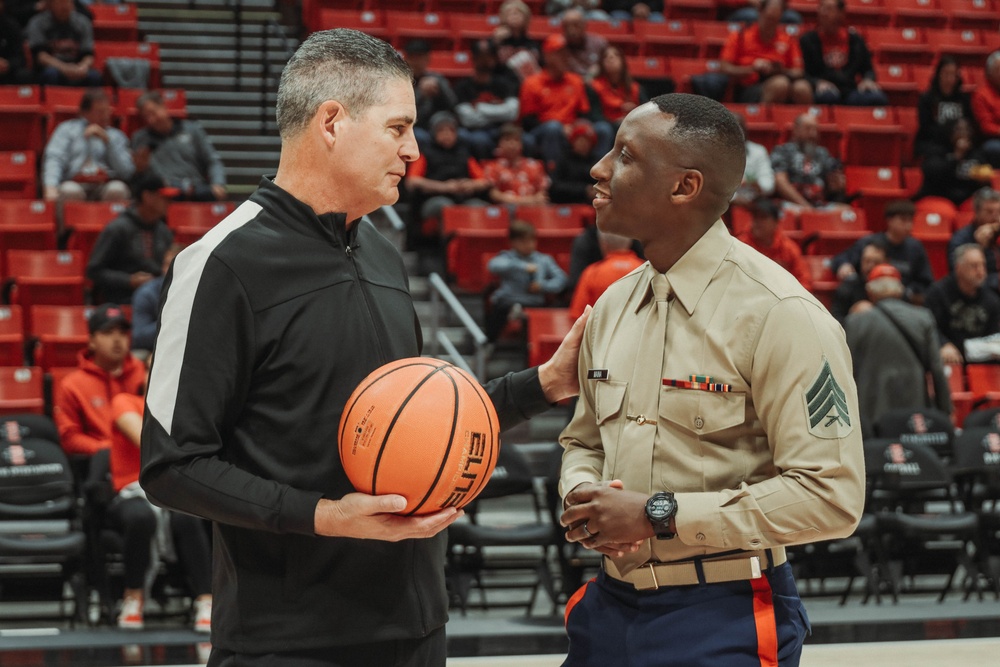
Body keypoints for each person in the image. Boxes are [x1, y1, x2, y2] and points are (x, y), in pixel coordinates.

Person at [139, 29, 586, 666]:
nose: (413, 151)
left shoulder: (381, 249)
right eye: (398, 128)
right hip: (290, 643)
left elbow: (422, 418)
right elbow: (171, 467)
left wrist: (543, 383)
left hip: (418, 627)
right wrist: (325, 515)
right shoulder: (218, 264)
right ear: (332, 122)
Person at [557, 93, 864, 666]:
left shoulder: (782, 313)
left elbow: (833, 496)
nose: (599, 168)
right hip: (607, 608)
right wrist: (581, 493)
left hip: (726, 612)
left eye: (625, 156)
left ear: (684, 187)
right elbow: (583, 441)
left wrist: (658, 515)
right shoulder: (612, 304)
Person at [109, 355, 213, 632]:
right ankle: (133, 597)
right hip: (131, 491)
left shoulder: (183, 410)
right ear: (144, 372)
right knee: (141, 517)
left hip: (173, 491)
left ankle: (206, 600)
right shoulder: (124, 402)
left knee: (187, 517)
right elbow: (148, 442)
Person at [845, 263, 951, 437]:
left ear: (870, 292)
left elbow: (847, 372)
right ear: (900, 290)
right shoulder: (923, 317)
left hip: (871, 414)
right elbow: (937, 369)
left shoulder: (855, 322)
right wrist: (944, 412)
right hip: (915, 412)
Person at [53, 304, 147, 458]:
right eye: (108, 332)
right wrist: (109, 449)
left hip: (144, 461)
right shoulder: (72, 385)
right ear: (91, 341)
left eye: (123, 333)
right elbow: (70, 438)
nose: (117, 339)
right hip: (101, 464)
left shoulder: (143, 373)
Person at [519, 33, 613, 167]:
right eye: (559, 53)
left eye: (566, 53)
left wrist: (577, 127)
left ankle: (599, 175)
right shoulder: (532, 83)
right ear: (547, 56)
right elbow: (528, 121)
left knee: (603, 129)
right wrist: (562, 127)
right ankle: (555, 174)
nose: (565, 57)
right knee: (553, 128)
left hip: (572, 128)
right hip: (544, 130)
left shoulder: (575, 81)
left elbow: (584, 113)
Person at [86, 172, 175, 304]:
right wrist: (129, 280)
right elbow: (94, 271)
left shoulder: (164, 232)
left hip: (157, 300)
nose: (169, 203)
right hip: (121, 301)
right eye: (163, 197)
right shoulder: (117, 229)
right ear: (147, 197)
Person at [403, 110, 491, 245]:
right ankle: (447, 249)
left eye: (450, 131)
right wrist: (445, 187)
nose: (447, 135)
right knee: (445, 207)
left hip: (463, 198)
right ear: (433, 133)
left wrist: (469, 185)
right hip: (434, 199)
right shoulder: (425, 154)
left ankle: (476, 248)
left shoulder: (464, 153)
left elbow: (484, 181)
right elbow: (412, 181)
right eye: (442, 131)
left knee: (479, 207)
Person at [831, 199, 934, 303]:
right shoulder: (870, 242)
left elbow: (925, 282)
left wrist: (909, 291)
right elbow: (841, 258)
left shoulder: (915, 247)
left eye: (910, 221)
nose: (908, 226)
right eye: (903, 220)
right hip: (868, 297)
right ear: (889, 221)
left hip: (902, 300)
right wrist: (844, 264)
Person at [132, 91, 227, 202]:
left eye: (153, 113)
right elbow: (139, 176)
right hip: (163, 192)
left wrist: (218, 183)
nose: (151, 120)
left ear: (163, 106)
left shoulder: (192, 129)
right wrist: (140, 168)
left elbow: (212, 160)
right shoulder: (140, 139)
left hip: (196, 188)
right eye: (146, 117)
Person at [42, 88, 134, 203]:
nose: (106, 115)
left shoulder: (116, 136)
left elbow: (127, 172)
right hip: (75, 183)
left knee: (117, 189)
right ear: (85, 113)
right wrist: (50, 187)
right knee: (69, 190)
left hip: (105, 185)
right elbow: (55, 159)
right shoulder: (66, 130)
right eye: (100, 112)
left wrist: (108, 142)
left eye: (107, 110)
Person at [485, 219, 568, 341]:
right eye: (523, 241)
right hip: (508, 302)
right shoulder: (506, 257)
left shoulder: (544, 260)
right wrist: (522, 267)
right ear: (512, 242)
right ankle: (490, 344)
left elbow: (561, 279)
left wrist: (542, 286)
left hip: (535, 303)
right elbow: (493, 266)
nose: (528, 245)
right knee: (498, 309)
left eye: (531, 240)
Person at [719, 0, 812, 104]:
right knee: (780, 84)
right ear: (760, 12)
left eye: (774, 20)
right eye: (768, 18)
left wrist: (781, 70)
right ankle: (759, 118)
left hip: (780, 79)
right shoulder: (740, 36)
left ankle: (802, 119)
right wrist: (752, 68)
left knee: (802, 88)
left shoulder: (788, 39)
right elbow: (723, 68)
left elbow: (799, 71)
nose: (770, 24)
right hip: (748, 86)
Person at [799, 0, 886, 106]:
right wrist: (817, 83)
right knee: (827, 97)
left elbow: (868, 69)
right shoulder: (808, 40)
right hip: (824, 89)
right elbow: (803, 73)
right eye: (821, 8)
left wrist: (867, 80)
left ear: (841, 14)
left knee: (877, 98)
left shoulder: (855, 40)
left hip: (850, 90)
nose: (823, 12)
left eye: (828, 9)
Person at [926, 244, 1000, 365]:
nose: (981, 271)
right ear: (959, 268)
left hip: (980, 362)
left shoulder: (992, 300)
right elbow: (929, 327)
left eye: (983, 265)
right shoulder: (938, 293)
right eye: (974, 266)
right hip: (946, 359)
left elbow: (993, 337)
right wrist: (943, 344)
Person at [453, 38, 522, 161]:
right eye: (481, 56)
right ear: (474, 59)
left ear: (494, 59)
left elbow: (512, 113)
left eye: (489, 56)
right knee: (480, 140)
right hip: (476, 131)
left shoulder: (504, 84)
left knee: (525, 140)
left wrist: (481, 109)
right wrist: (500, 112)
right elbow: (467, 120)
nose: (485, 61)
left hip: (503, 130)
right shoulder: (462, 87)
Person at [771, 112, 844, 210]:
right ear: (796, 130)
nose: (813, 134)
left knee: (846, 213)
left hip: (818, 205)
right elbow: (780, 182)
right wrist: (806, 207)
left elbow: (832, 183)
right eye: (808, 129)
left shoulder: (823, 153)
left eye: (815, 130)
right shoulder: (782, 151)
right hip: (791, 204)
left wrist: (836, 185)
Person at [915, 117, 993, 207]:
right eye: (959, 130)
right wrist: (957, 156)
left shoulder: (976, 153)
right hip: (940, 198)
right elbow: (933, 175)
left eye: (967, 129)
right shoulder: (936, 151)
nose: (964, 133)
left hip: (969, 200)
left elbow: (984, 183)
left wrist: (983, 180)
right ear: (949, 132)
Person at [736, 196, 812, 289]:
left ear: (776, 222)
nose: (757, 222)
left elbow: (804, 280)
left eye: (763, 217)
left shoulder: (788, 248)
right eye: (755, 217)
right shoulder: (740, 245)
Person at [24, 0, 101, 86]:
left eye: (67, 2)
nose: (64, 7)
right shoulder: (37, 23)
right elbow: (41, 56)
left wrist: (83, 67)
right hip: (51, 67)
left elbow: (88, 55)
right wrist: (64, 68)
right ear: (50, 5)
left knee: (94, 76)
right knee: (51, 74)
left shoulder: (83, 23)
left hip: (76, 67)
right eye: (60, 3)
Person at [568, 230, 643, 318]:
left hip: (602, 330)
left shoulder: (592, 273)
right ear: (631, 241)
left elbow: (578, 314)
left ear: (603, 243)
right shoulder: (647, 270)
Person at [915, 55, 975, 161]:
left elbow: (970, 124)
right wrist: (950, 136)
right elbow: (926, 128)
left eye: (953, 75)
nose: (949, 79)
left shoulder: (964, 99)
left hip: (960, 142)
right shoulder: (927, 99)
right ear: (938, 75)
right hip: (933, 143)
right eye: (946, 74)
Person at [403, 39, 459, 150]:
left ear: (427, 59)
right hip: (414, 126)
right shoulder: (402, 81)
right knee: (421, 137)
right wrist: (420, 93)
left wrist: (440, 90)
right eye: (413, 57)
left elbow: (453, 105)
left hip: (439, 124)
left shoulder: (437, 79)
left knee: (460, 135)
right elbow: (403, 110)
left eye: (420, 57)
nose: (416, 62)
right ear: (407, 59)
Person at [483, 122, 551, 207]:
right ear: (499, 144)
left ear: (521, 144)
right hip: (506, 211)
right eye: (507, 140)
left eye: (516, 140)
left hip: (533, 210)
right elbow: (494, 195)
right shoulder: (492, 166)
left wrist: (535, 201)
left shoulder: (535, 165)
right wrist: (527, 201)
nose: (512, 144)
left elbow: (542, 193)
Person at [131, 243, 183, 353]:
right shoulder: (147, 293)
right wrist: (174, 321)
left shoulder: (200, 290)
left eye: (177, 264)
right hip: (154, 350)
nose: (170, 269)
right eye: (167, 264)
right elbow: (139, 336)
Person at [947, 186, 1000, 290]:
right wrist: (980, 247)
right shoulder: (961, 239)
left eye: (998, 212)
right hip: (981, 291)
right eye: (989, 212)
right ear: (977, 212)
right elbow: (961, 276)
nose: (995, 217)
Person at [587, 44, 647, 127]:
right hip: (608, 126)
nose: (611, 58)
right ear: (601, 64)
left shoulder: (636, 88)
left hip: (632, 126)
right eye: (605, 56)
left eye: (616, 55)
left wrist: (635, 110)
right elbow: (594, 115)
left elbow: (647, 114)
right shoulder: (595, 87)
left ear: (623, 61)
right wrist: (615, 123)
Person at [830, 238, 886, 323]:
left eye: (876, 262)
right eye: (867, 261)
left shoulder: (893, 288)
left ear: (886, 262)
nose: (870, 266)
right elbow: (835, 320)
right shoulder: (847, 288)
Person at [549, 119, 600, 205]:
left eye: (587, 140)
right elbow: (555, 187)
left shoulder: (597, 161)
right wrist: (583, 190)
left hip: (591, 206)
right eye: (580, 139)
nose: (583, 143)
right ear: (573, 141)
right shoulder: (563, 159)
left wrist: (596, 191)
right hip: (566, 205)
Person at [732, 114, 776, 208]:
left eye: (741, 127)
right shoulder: (716, 154)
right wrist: (734, 198)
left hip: (756, 201)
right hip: (727, 203)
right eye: (733, 128)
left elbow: (769, 184)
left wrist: (759, 186)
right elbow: (715, 188)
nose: (738, 132)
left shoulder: (759, 151)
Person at [493, 0, 542, 81]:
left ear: (526, 18)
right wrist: (494, 41)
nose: (514, 16)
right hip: (502, 84)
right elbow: (487, 66)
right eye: (510, 13)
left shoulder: (533, 45)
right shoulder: (496, 42)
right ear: (503, 17)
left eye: (518, 13)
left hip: (527, 84)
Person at [559, 7, 608, 78]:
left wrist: (600, 67)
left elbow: (609, 65)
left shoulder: (598, 43)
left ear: (584, 25)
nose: (571, 30)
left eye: (575, 25)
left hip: (594, 83)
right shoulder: (558, 46)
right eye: (567, 26)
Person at [971, 50, 1000, 168]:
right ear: (989, 73)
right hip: (991, 140)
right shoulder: (981, 95)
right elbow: (986, 126)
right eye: (998, 70)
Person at [0, 0, 29, 85]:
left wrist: (8, 64)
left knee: (24, 75)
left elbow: (20, 56)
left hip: (8, 69)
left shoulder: (11, 26)